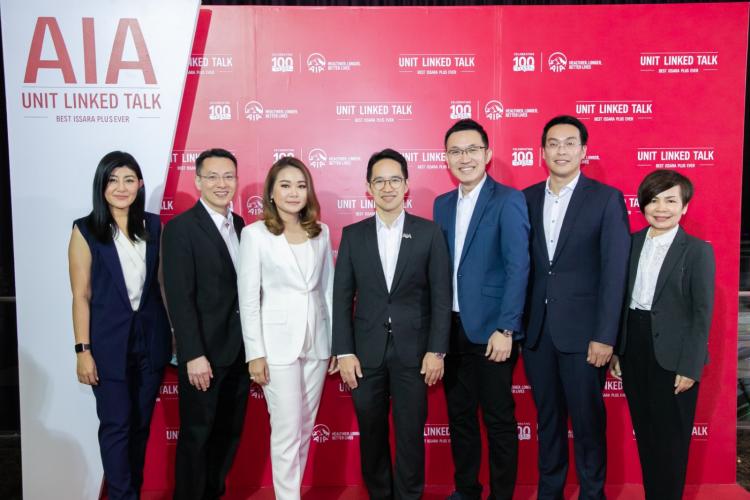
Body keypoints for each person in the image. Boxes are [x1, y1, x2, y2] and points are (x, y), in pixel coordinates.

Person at [332, 148, 451, 500]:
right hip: (365, 353)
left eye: (394, 180)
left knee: (410, 435)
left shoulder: (429, 233)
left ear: (406, 185)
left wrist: (437, 351)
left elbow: (441, 297)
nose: (387, 187)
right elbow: (341, 298)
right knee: (371, 433)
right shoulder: (353, 235)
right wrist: (344, 352)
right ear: (368, 187)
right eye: (379, 181)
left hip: (414, 353)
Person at [522, 115, 630, 499]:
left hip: (586, 337)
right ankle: (549, 491)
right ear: (542, 152)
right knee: (548, 421)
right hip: (536, 333)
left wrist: (605, 336)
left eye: (570, 143)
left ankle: (591, 493)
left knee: (587, 423)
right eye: (553, 143)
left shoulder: (605, 199)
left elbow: (615, 273)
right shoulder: (525, 198)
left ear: (584, 151)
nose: (561, 150)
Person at [433, 119, 529, 500]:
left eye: (472, 150)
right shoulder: (442, 204)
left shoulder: (508, 200)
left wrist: (507, 328)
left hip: (492, 332)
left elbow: (518, 267)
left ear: (487, 154)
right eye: (456, 151)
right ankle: (467, 490)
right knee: (460, 418)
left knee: (499, 419)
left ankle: (501, 495)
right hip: (452, 330)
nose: (465, 158)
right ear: (446, 158)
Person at [68, 151, 171, 500]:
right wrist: (83, 350)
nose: (121, 187)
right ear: (102, 185)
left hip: (151, 341)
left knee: (140, 426)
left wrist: (174, 333)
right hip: (108, 346)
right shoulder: (85, 230)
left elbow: (161, 285)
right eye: (113, 180)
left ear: (140, 185)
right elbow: (80, 295)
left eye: (129, 180)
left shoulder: (154, 226)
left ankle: (131, 493)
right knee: (116, 426)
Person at [610, 170, 715, 500]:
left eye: (671, 201)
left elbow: (701, 314)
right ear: (643, 205)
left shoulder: (696, 251)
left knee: (671, 441)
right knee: (647, 435)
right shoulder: (630, 243)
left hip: (675, 354)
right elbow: (620, 300)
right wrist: (618, 349)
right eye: (654, 200)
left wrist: (690, 367)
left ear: (685, 207)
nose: (661, 208)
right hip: (634, 347)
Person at [237, 157, 337, 500]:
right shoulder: (254, 235)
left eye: (300, 185)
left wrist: (334, 342)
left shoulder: (321, 232)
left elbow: (328, 289)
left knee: (305, 428)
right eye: (285, 185)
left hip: (317, 343)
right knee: (286, 430)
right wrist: (255, 353)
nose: (294, 193)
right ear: (271, 192)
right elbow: (248, 299)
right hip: (276, 346)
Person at [162, 148, 248, 500]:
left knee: (228, 433)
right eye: (212, 176)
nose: (221, 183)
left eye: (228, 176)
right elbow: (179, 298)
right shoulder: (181, 229)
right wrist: (193, 354)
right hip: (203, 356)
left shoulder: (241, 225)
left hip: (240, 353)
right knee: (197, 435)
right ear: (197, 181)